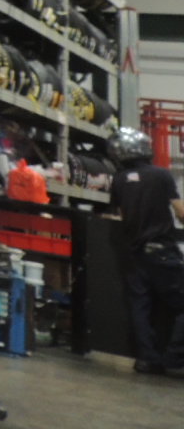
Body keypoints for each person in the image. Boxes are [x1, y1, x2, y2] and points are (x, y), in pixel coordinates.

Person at [112, 126, 184, 374]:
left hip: (135, 254)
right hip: (162, 250)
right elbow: (180, 212)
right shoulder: (161, 175)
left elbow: (120, 215)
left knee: (140, 307)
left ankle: (146, 359)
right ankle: (174, 358)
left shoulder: (119, 180)